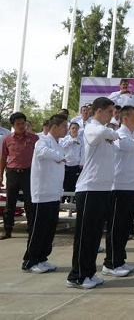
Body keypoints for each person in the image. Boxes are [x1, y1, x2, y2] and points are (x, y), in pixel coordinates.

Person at [66, 97, 119, 290]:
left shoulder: (103, 129)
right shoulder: (90, 127)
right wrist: (113, 130)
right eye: (110, 111)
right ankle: (76, 276)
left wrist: (113, 131)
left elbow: (112, 134)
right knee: (85, 235)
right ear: (99, 111)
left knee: (96, 235)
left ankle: (89, 272)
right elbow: (108, 132)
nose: (113, 115)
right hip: (89, 189)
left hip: (103, 188)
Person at [22, 114, 67, 273]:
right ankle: (31, 260)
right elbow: (44, 153)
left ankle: (42, 258)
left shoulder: (58, 144)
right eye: (64, 126)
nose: (66, 129)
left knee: (49, 228)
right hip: (42, 194)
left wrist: (60, 157)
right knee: (39, 228)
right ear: (54, 127)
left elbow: (63, 157)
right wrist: (59, 156)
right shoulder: (42, 141)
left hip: (54, 193)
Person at [103, 106, 134, 277]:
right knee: (116, 226)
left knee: (125, 227)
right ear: (125, 118)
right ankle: (110, 263)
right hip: (119, 187)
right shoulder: (120, 134)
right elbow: (125, 145)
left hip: (130, 186)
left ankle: (119, 260)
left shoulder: (132, 135)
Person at [0, 112, 39, 240]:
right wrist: (0, 175)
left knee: (29, 203)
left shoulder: (34, 138)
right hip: (12, 173)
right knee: (10, 203)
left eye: (23, 123)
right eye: (18, 124)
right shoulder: (7, 139)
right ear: (13, 125)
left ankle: (32, 228)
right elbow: (3, 157)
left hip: (28, 173)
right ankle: (7, 230)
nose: (21, 126)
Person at [59, 122, 84, 195]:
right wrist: (71, 141)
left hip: (76, 164)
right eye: (73, 128)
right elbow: (61, 146)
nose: (74, 130)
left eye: (76, 128)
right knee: (65, 182)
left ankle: (72, 199)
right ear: (69, 129)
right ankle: (63, 199)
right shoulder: (64, 139)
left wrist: (81, 163)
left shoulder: (81, 140)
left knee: (74, 182)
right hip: (66, 164)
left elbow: (83, 152)